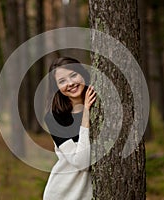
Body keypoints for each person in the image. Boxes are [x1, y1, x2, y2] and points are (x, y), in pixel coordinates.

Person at [43, 57, 96, 200]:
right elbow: (82, 162)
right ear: (56, 88)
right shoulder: (54, 118)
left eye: (73, 75)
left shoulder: (100, 101)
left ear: (82, 74)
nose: (70, 83)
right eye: (62, 81)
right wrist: (86, 112)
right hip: (63, 193)